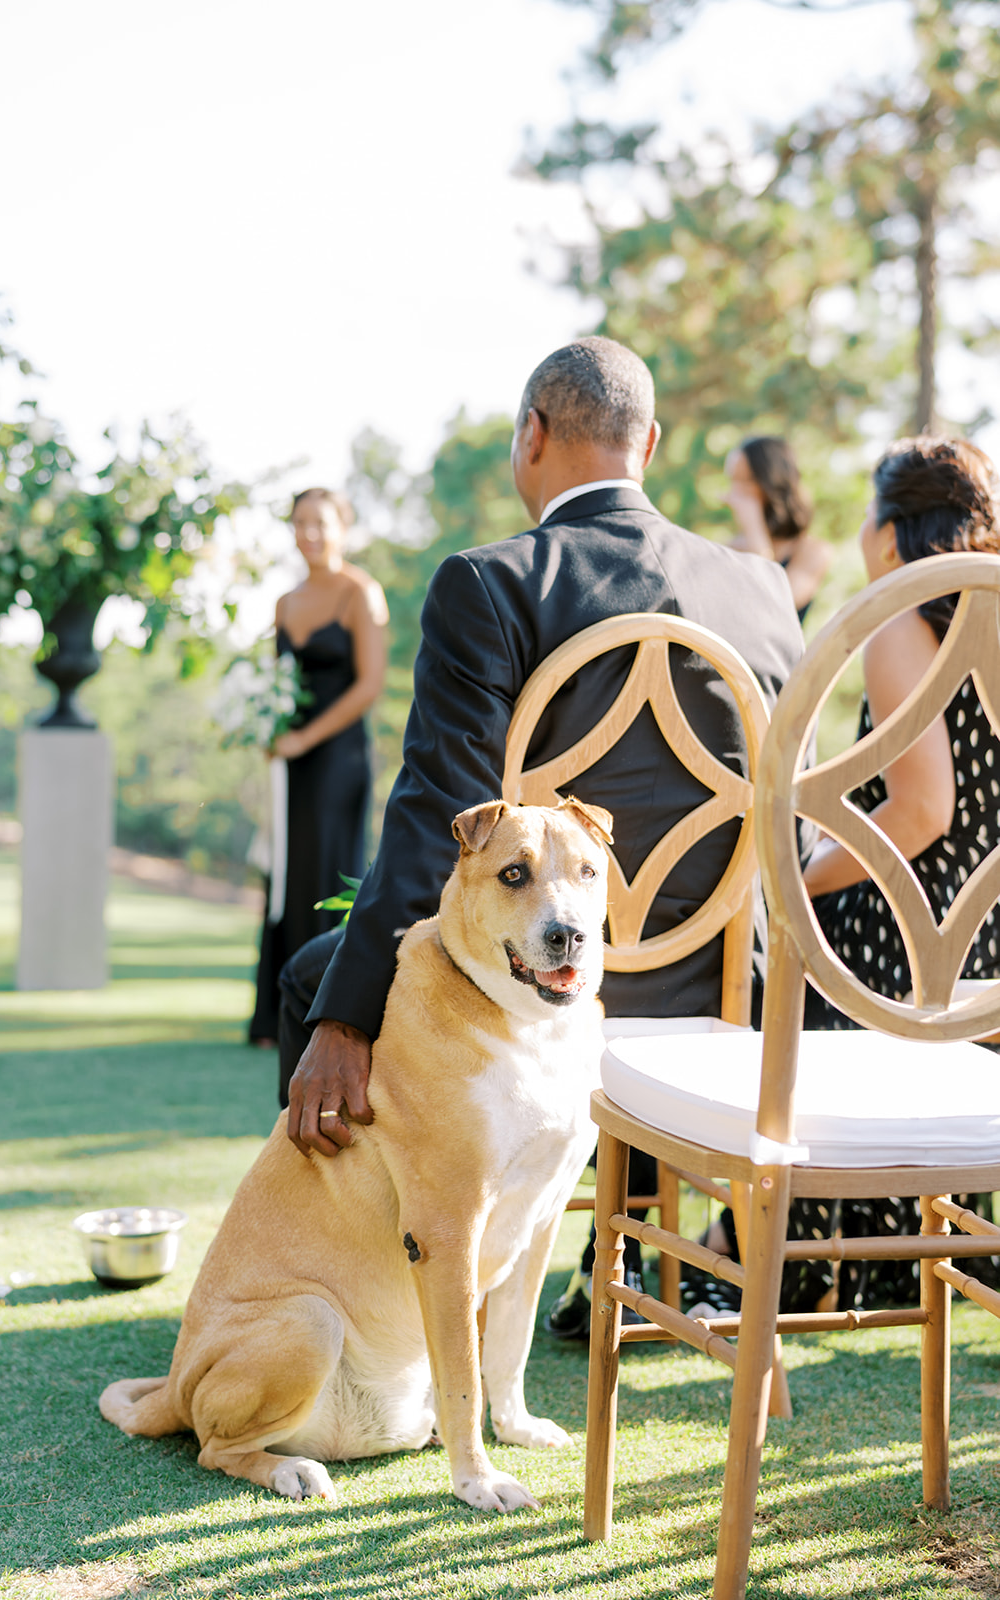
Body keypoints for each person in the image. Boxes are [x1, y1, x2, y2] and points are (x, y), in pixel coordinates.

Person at [278, 336, 806, 1335]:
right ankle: (606, 1258)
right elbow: (784, 808)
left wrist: (343, 1018)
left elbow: (437, 817)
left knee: (312, 976)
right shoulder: (759, 590)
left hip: (544, 993)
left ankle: (377, 1311)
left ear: (530, 435)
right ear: (646, 443)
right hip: (720, 995)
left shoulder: (492, 583)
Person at [693, 436, 1000, 1315]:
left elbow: (918, 815)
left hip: (920, 928)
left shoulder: (906, 616)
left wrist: (794, 887)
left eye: (870, 516)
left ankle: (777, 1247)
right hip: (986, 929)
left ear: (894, 533)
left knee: (790, 950)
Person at [248, 487, 388, 1047]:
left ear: (343, 527)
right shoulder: (284, 602)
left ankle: (330, 1010)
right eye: (299, 522)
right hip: (291, 761)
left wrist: (306, 737)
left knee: (328, 869)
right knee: (286, 870)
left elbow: (369, 685)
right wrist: (268, 729)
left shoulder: (361, 592)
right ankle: (272, 1014)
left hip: (337, 757)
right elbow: (273, 684)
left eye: (320, 522)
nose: (309, 533)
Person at [724, 435, 830, 623]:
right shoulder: (730, 549)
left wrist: (754, 527)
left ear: (771, 483)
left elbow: (776, 605)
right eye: (733, 481)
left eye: (745, 481)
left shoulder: (812, 551)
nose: (734, 493)